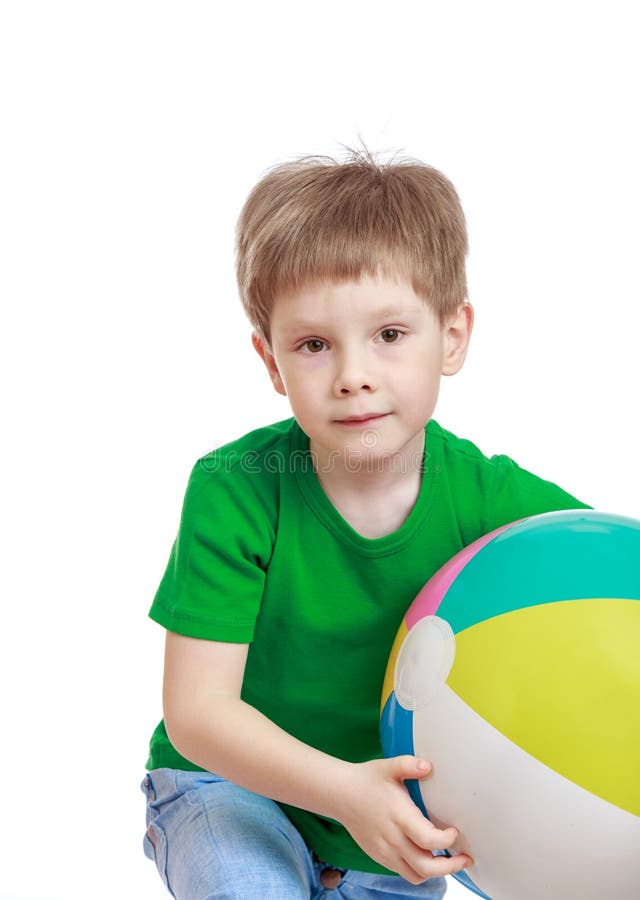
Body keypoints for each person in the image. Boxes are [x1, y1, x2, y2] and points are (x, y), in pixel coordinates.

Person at [140, 146, 590, 899]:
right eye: (314, 345)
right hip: (229, 788)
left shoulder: (489, 497)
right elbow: (197, 713)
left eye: (389, 334)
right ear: (271, 361)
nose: (353, 374)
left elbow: (613, 582)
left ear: (453, 335)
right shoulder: (236, 489)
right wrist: (346, 792)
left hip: (391, 829)